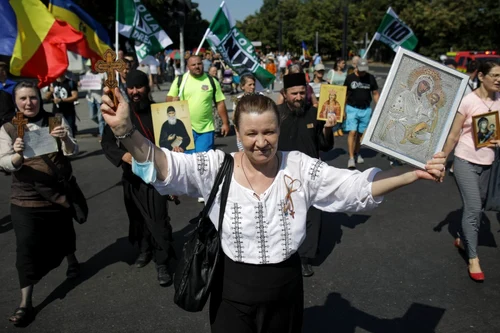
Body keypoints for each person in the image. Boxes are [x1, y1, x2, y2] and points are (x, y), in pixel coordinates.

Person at [100, 86, 446, 333]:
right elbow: (165, 165)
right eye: (251, 133)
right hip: (230, 288)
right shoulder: (215, 166)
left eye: (269, 131)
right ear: (237, 133)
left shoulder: (299, 166)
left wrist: (411, 174)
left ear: (279, 130)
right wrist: (126, 131)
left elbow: (354, 188)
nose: (261, 141)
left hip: (285, 287)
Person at [0, 81, 80, 326]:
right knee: (26, 248)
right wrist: (16, 155)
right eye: (23, 98)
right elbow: (3, 162)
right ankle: (26, 302)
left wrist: (65, 138)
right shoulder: (9, 127)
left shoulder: (54, 120)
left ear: (40, 98)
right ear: (15, 101)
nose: (28, 103)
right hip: (25, 198)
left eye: (33, 98)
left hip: (56, 193)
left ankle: (72, 260)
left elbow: (72, 150)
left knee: (63, 232)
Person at [101, 70, 175, 286]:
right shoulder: (120, 113)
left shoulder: (159, 112)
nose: (135, 92)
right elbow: (107, 143)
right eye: (131, 88)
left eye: (139, 87)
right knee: (138, 218)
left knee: (158, 220)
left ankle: (162, 262)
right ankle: (145, 249)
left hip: (156, 177)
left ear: (147, 88)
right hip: (132, 176)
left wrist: (176, 150)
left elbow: (170, 140)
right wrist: (123, 155)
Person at [443, 61, 500, 282]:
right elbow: (454, 135)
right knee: (475, 208)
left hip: (489, 163)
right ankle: (473, 258)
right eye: (494, 75)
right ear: (482, 76)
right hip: (465, 160)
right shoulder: (468, 101)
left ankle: (461, 237)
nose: (498, 79)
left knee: (478, 205)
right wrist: (442, 159)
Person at [278, 72, 335, 277]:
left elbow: (325, 145)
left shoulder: (315, 113)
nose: (299, 97)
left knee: (313, 215)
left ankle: (304, 258)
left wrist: (328, 129)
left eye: (302, 92)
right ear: (285, 94)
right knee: (285, 216)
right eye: (294, 93)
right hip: (282, 174)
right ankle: (285, 254)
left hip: (311, 174)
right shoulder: (276, 114)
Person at [166, 55, 230, 155]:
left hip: (206, 129)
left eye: (199, 64)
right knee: (186, 161)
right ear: (188, 67)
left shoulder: (212, 81)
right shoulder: (180, 81)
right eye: (193, 65)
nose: (197, 66)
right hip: (184, 130)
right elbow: (168, 100)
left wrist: (225, 123)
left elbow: (220, 103)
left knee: (203, 161)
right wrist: (172, 100)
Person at [344, 58, 379, 169]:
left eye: (365, 70)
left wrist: (378, 107)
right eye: (361, 69)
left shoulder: (370, 78)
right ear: (356, 67)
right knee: (352, 132)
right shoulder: (350, 78)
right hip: (352, 108)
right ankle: (350, 158)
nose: (363, 72)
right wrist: (342, 110)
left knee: (360, 135)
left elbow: (375, 93)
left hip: (365, 110)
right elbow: (344, 93)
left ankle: (357, 153)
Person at [83, 64, 106, 141]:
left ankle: (102, 135)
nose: (91, 68)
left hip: (100, 98)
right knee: (92, 116)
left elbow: (107, 84)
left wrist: (103, 83)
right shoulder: (88, 73)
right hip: (91, 98)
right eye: (90, 67)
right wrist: (81, 83)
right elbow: (85, 84)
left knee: (100, 118)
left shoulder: (102, 73)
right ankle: (103, 126)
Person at [0, 61, 16, 126]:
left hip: (11, 118)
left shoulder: (15, 85)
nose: (4, 72)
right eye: (1, 70)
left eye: (4, 69)